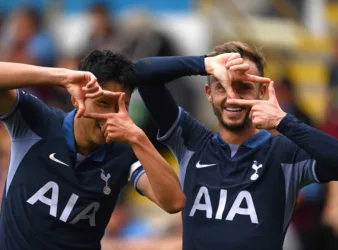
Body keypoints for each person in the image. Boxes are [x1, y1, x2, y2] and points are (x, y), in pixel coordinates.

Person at [135, 41, 338, 250]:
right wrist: (204, 64)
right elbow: (142, 73)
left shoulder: (284, 154)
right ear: (208, 93)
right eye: (222, 86)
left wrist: (284, 122)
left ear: (261, 93)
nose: (233, 97)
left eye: (244, 87)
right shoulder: (191, 141)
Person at [0, 50, 185, 250]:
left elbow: (174, 202)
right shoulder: (37, 122)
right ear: (77, 98)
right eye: (102, 103)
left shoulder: (125, 153)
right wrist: (61, 77)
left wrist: (138, 137)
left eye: (121, 106)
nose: (111, 116)